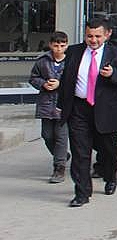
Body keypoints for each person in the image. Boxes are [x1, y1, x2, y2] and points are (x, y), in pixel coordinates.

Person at [57, 18, 117, 207]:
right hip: (79, 109)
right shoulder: (74, 51)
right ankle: (82, 193)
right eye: (89, 36)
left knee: (109, 150)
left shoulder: (116, 54)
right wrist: (61, 105)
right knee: (80, 152)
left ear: (107, 35)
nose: (93, 40)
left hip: (105, 110)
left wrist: (112, 74)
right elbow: (66, 80)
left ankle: (110, 176)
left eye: (98, 36)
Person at [29, 31, 70, 183]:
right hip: (46, 104)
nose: (59, 48)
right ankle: (62, 155)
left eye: (62, 45)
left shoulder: (70, 61)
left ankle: (59, 167)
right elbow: (33, 78)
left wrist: (61, 84)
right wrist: (43, 84)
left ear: (66, 45)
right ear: (51, 45)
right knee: (47, 135)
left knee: (61, 137)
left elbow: (75, 80)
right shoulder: (42, 61)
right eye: (56, 45)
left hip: (62, 104)